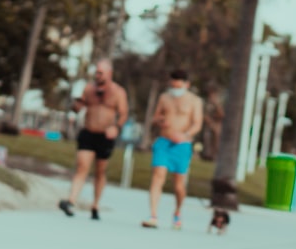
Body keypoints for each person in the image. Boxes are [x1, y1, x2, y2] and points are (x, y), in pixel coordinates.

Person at [59, 60, 129, 220]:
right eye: (96, 72)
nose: (97, 75)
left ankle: (95, 205)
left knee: (100, 171)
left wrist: (116, 127)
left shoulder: (118, 92)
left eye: (100, 73)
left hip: (105, 135)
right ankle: (71, 201)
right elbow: (79, 107)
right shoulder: (89, 88)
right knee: (82, 167)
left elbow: (124, 113)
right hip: (88, 132)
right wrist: (75, 105)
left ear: (109, 74)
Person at [141, 69, 203, 230]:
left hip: (182, 145)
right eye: (173, 85)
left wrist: (185, 135)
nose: (175, 88)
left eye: (178, 85)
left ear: (186, 84)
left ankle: (177, 212)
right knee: (158, 176)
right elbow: (155, 118)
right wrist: (161, 120)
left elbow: (197, 124)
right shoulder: (164, 97)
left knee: (179, 185)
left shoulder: (195, 101)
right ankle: (153, 215)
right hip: (164, 141)